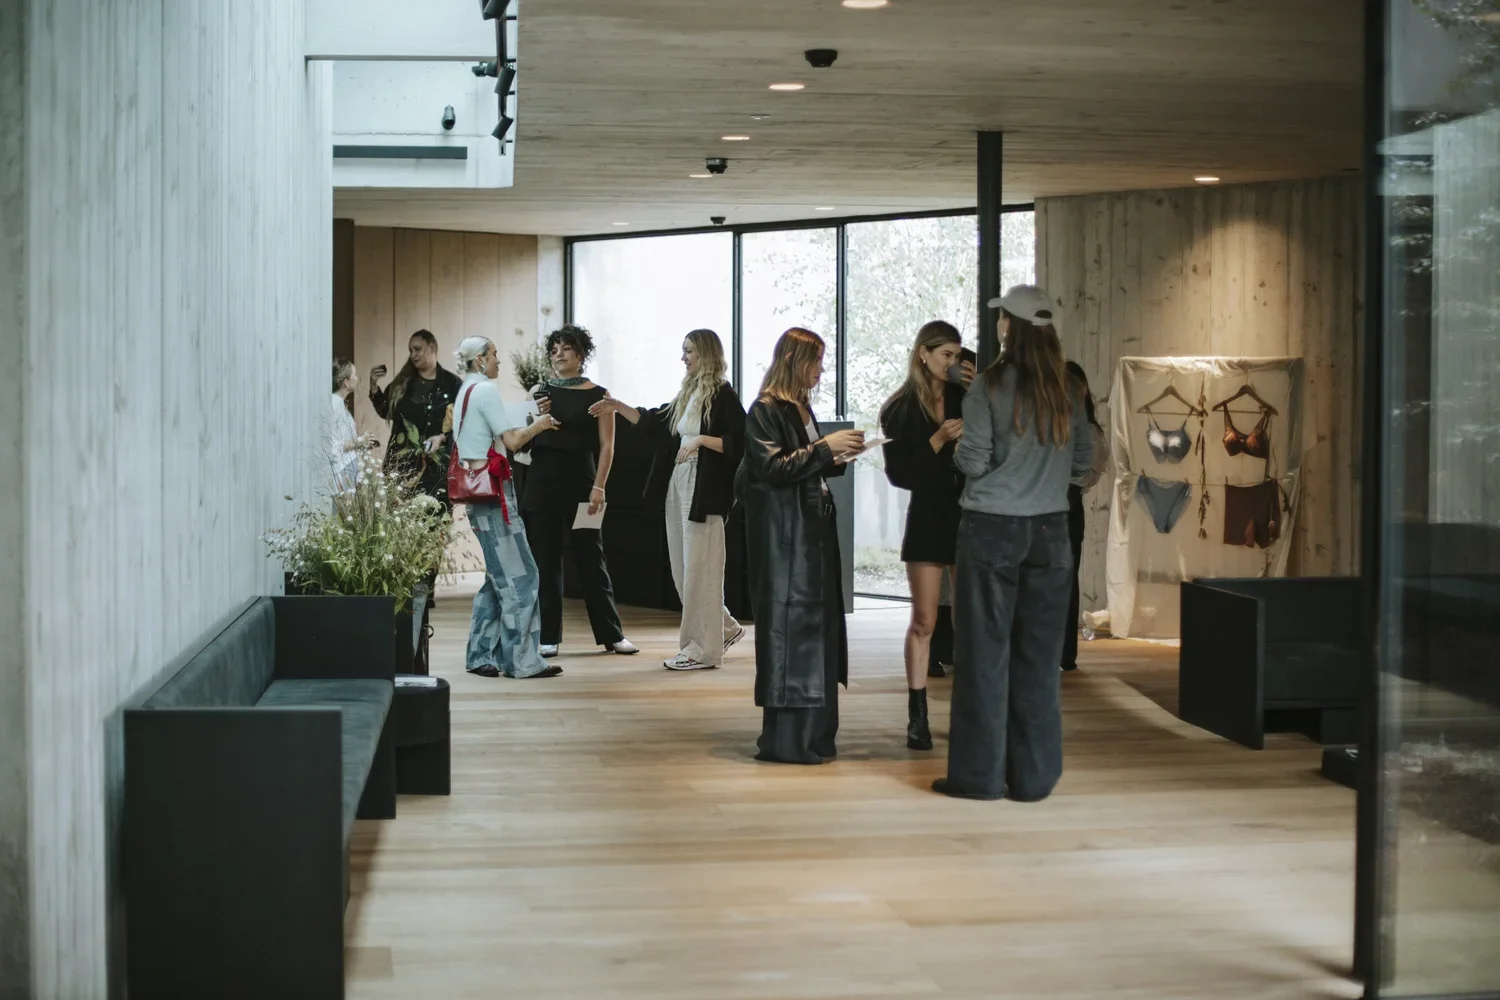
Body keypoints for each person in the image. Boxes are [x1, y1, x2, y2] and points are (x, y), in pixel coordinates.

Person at [934, 285, 1093, 802]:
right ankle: (1034, 778)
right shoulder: (1069, 387)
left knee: (983, 656)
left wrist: (961, 451)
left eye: (1003, 317)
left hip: (990, 529)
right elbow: (1086, 466)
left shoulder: (989, 385)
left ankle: (978, 778)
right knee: (1039, 658)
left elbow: (974, 462)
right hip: (1051, 531)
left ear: (1011, 327)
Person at [738, 328, 866, 764]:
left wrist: (835, 457)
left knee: (817, 631)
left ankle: (815, 737)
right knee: (791, 634)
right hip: (785, 540)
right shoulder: (765, 409)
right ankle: (790, 741)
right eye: (816, 361)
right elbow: (771, 468)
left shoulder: (799, 407)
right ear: (795, 360)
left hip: (811, 534)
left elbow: (801, 464)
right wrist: (825, 450)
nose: (821, 370)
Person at [589, 329, 747, 670]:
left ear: (705, 352)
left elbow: (741, 444)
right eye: (683, 350)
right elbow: (655, 423)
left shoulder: (723, 395)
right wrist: (616, 406)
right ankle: (725, 628)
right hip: (679, 484)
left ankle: (700, 650)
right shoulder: (688, 393)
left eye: (689, 350)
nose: (683, 357)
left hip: (703, 490)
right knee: (682, 572)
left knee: (699, 573)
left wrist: (702, 440)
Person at [879, 321, 973, 750]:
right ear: (924, 354)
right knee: (925, 619)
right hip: (929, 515)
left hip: (970, 513)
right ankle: (917, 716)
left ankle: (972, 711)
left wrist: (982, 390)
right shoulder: (900, 408)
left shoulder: (968, 398)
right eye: (946, 356)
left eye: (957, 356)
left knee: (971, 620)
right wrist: (937, 440)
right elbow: (900, 474)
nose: (953, 364)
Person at [521, 325, 638, 657]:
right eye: (554, 349)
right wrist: (535, 417)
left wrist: (599, 485)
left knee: (591, 559)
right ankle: (548, 636)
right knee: (545, 561)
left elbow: (607, 445)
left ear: (581, 355)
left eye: (566, 348)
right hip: (541, 483)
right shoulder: (539, 392)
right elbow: (523, 436)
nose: (559, 354)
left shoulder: (599, 395)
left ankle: (612, 634)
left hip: (582, 485)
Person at [452, 337, 564, 679]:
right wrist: (540, 425)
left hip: (481, 494)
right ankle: (521, 659)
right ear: (479, 360)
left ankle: (481, 653)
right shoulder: (484, 390)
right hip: (494, 495)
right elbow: (513, 441)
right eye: (494, 354)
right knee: (523, 576)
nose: (498, 360)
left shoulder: (467, 390)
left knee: (498, 577)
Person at [370, 329, 464, 668]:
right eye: (411, 350)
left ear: (433, 348)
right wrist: (372, 388)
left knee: (436, 523)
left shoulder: (453, 383)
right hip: (403, 464)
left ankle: (428, 582)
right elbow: (387, 412)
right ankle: (407, 581)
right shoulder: (404, 382)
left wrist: (443, 436)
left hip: (436, 467)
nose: (414, 355)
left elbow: (461, 423)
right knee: (404, 523)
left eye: (419, 349)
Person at [1061, 361, 1108, 672]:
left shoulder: (1089, 431)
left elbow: (1088, 476)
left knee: (1065, 581)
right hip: (1038, 505)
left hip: (1066, 507)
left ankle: (1065, 653)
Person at [329, 358, 374, 492]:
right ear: (346, 382)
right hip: (341, 471)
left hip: (347, 469)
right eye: (354, 374)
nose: (357, 377)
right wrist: (359, 441)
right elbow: (331, 446)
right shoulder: (333, 405)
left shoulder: (339, 405)